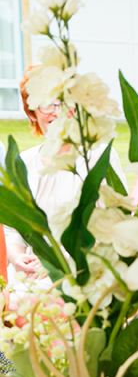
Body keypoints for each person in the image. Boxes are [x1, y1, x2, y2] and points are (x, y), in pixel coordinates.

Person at [4, 71, 125, 280]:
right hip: (32, 277)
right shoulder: (22, 163)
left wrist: (56, 261)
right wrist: (16, 257)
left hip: (89, 273)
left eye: (64, 102)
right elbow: (12, 230)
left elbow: (117, 223)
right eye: (46, 103)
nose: (56, 112)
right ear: (32, 112)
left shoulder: (99, 157)